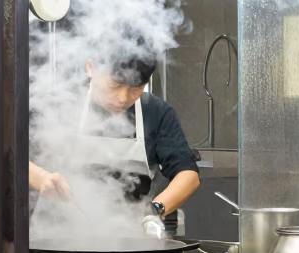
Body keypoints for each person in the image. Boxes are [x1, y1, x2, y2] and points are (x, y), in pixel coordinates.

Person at [29, 47, 200, 238]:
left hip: (127, 242)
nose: (123, 98)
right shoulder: (58, 104)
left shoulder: (156, 112)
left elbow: (188, 175)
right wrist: (41, 178)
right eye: (114, 85)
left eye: (136, 89)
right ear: (91, 67)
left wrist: (155, 209)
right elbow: (7, 156)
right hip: (54, 242)